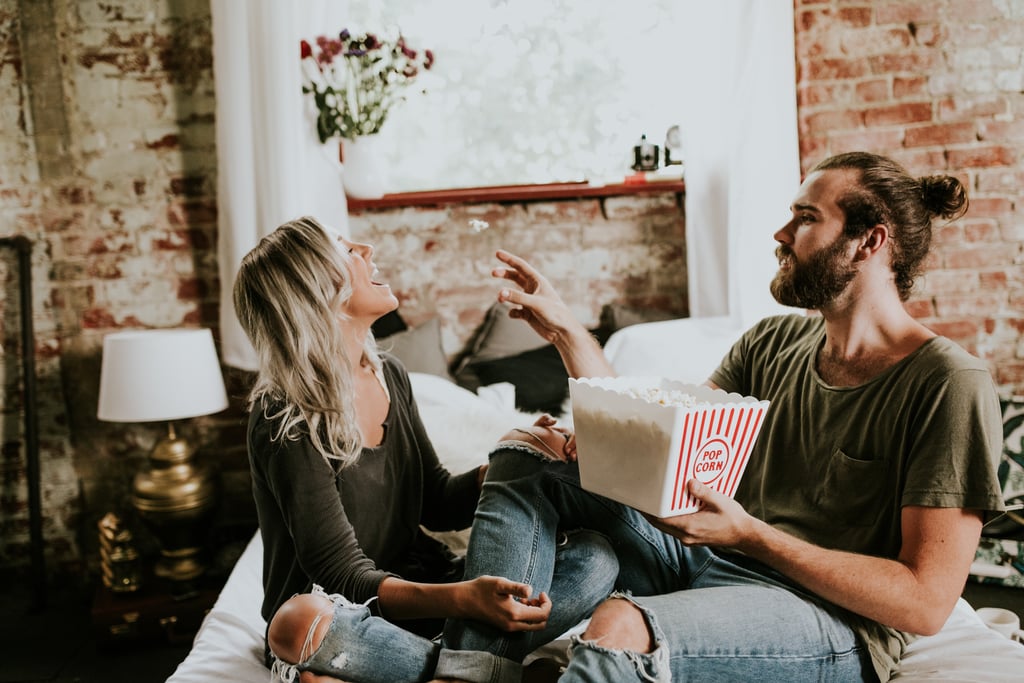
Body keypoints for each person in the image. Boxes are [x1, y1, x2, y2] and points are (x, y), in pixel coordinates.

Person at [449, 151, 1006, 682]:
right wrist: (568, 332)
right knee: (524, 451)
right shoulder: (772, 341)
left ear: (869, 241)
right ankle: (470, 673)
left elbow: (927, 601)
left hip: (829, 619)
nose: (781, 234)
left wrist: (751, 536)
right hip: (711, 562)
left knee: (620, 626)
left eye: (805, 218)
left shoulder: (947, 383)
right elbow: (661, 446)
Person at [232, 216, 619, 683]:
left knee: (596, 558)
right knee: (298, 624)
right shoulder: (285, 417)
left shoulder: (389, 374)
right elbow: (341, 574)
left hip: (423, 594)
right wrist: (463, 600)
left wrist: (513, 458)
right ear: (314, 289)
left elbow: (435, 501)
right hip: (347, 612)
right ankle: (487, 665)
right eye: (346, 250)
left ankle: (455, 670)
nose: (367, 248)